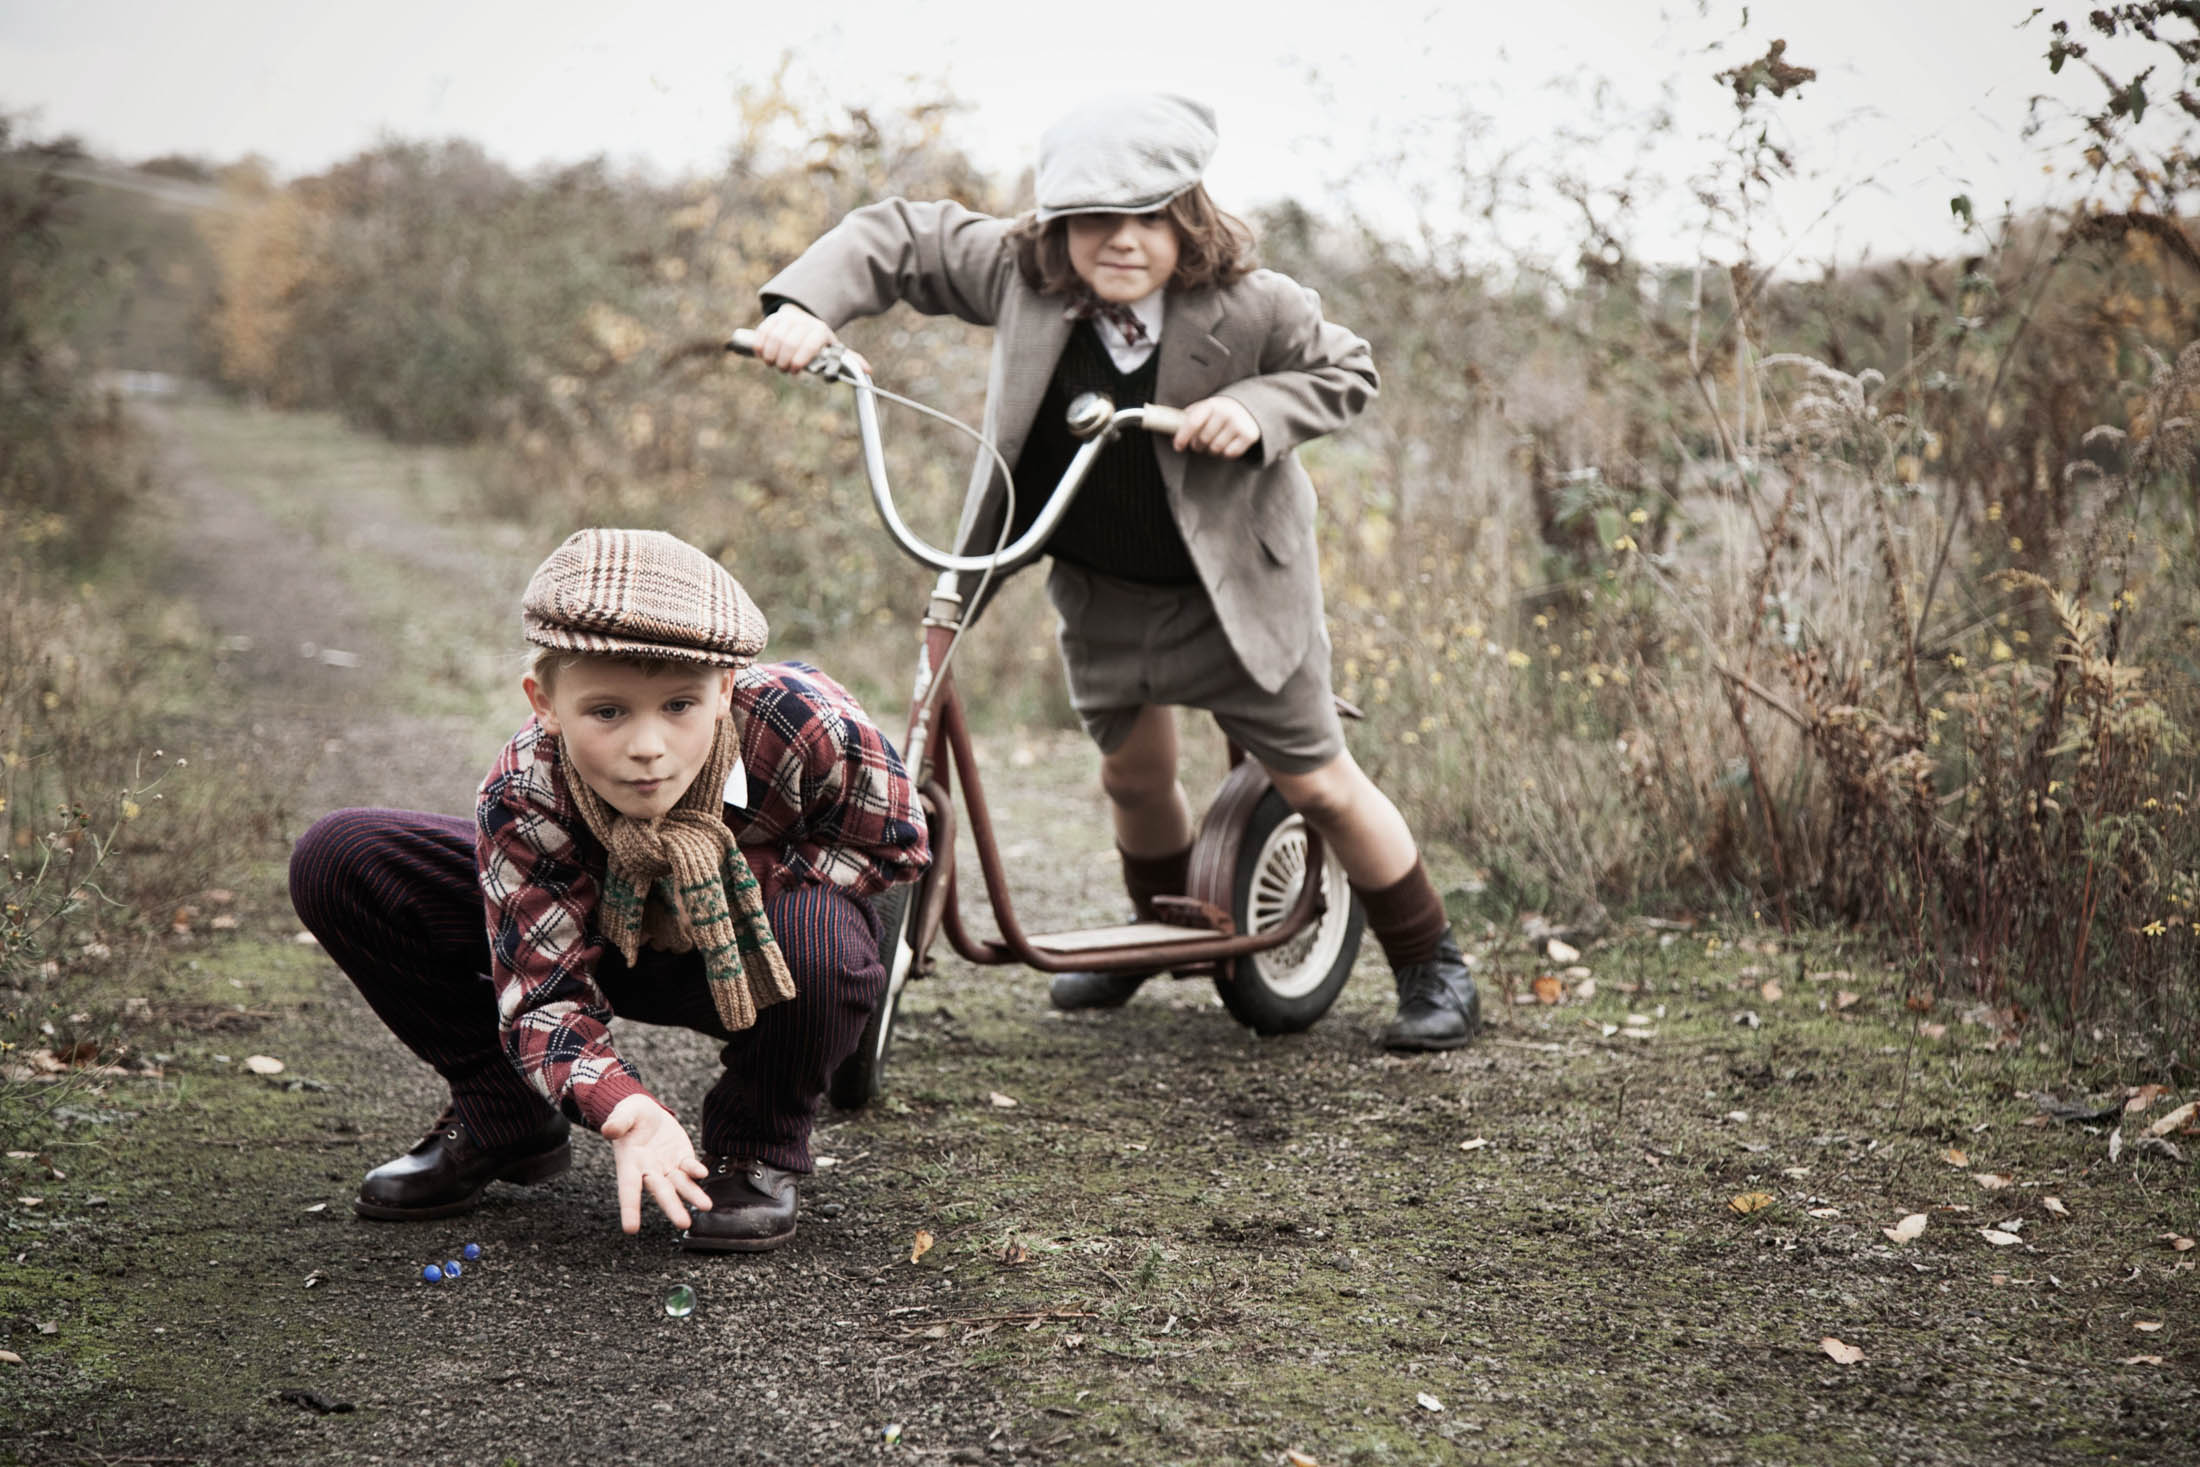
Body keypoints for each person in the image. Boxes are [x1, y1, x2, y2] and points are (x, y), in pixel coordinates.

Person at [749, 91, 1479, 1050]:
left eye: (1149, 216)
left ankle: (1434, 963)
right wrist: (806, 307)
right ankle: (1158, 938)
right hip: (1100, 584)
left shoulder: (1257, 303)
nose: (1122, 239)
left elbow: (1346, 371)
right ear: (1058, 224)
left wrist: (1260, 408)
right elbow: (903, 238)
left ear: (1190, 216)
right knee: (1133, 776)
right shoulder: (1023, 276)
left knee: (1319, 781)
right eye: (1095, 218)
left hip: (1237, 594)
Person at [289, 528, 929, 1251]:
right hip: (593, 933)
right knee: (341, 856)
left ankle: (757, 1142)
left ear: (724, 688)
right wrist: (623, 1106)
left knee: (821, 936)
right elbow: (541, 990)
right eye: (608, 712)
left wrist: (732, 892)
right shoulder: (526, 785)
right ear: (546, 701)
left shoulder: (806, 723)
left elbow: (893, 845)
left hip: (759, 958)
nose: (647, 746)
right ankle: (507, 1110)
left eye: (679, 706)